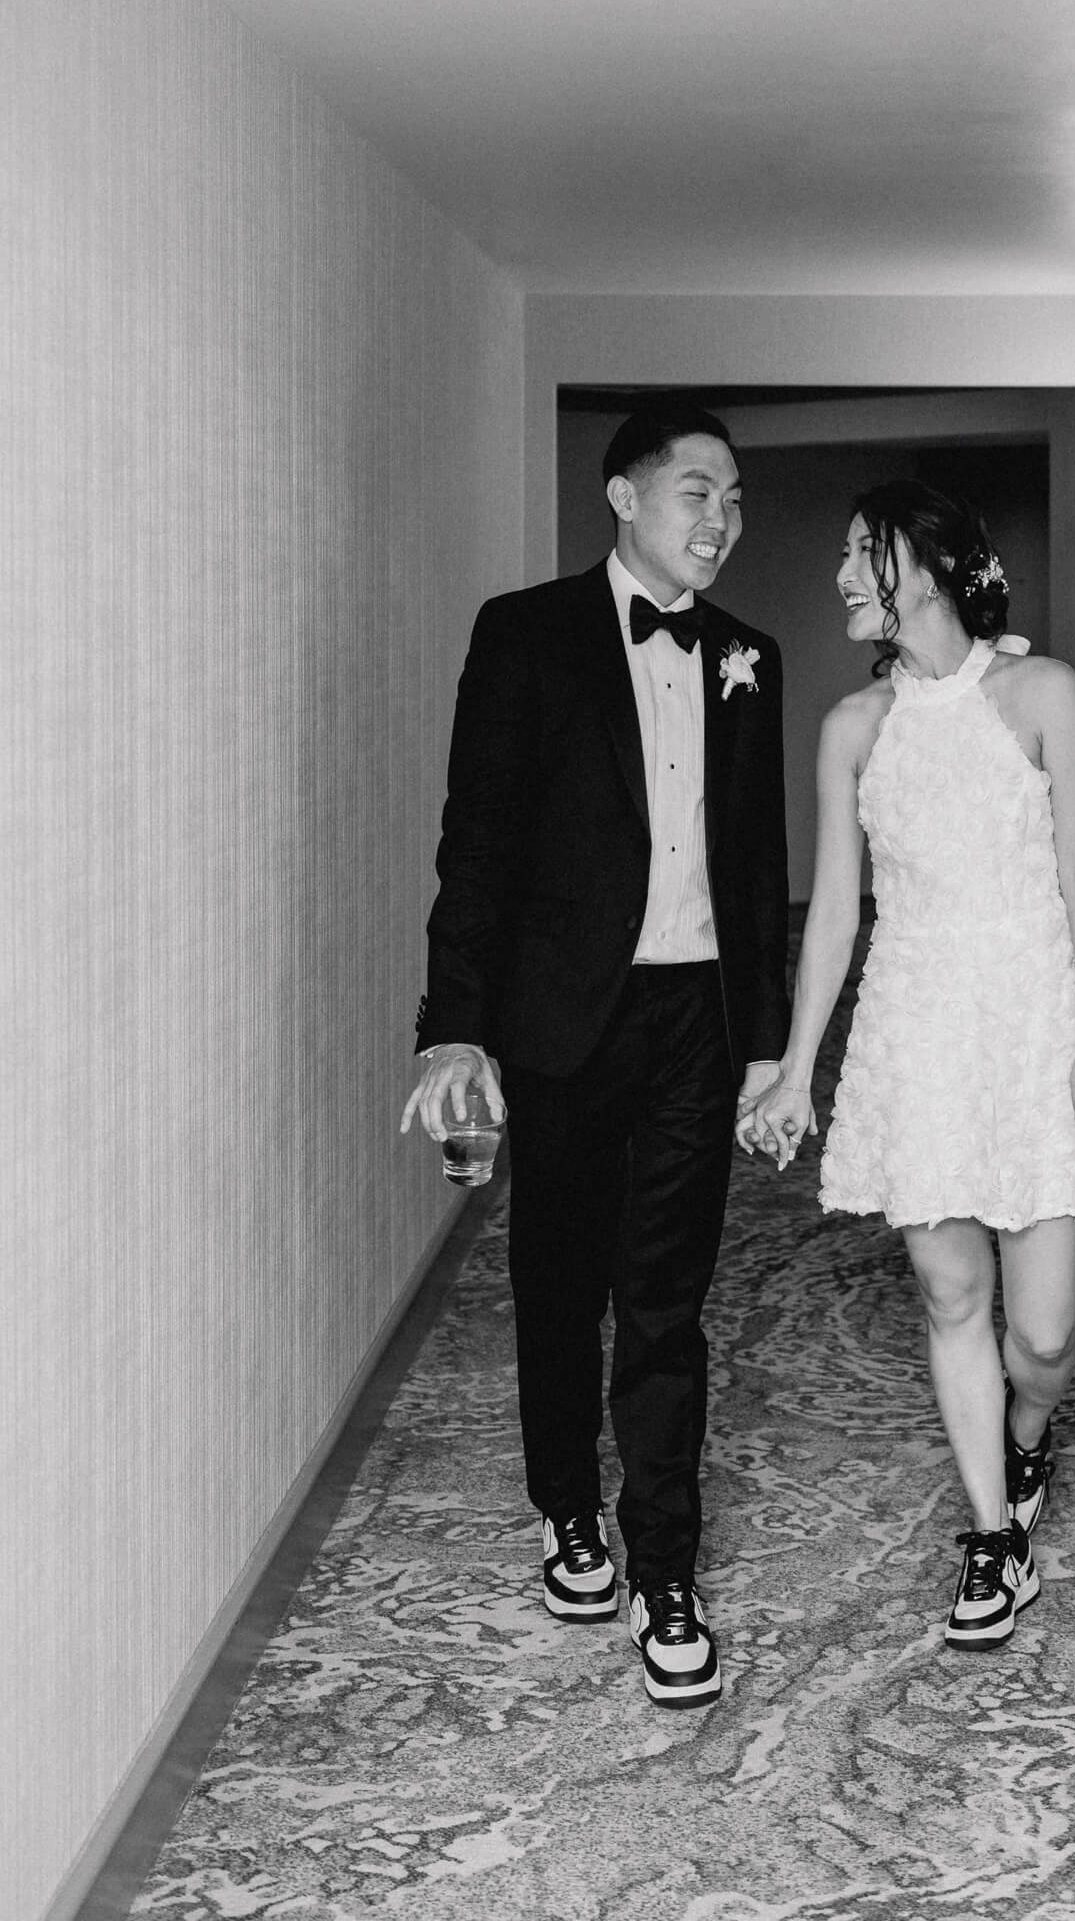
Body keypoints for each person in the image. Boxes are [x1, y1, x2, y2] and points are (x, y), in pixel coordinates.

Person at [403, 399, 789, 1709]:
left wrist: (769, 1045)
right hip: (564, 1014)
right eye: (696, 492)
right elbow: (480, 844)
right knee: (562, 1278)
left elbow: (755, 861)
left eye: (734, 499)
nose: (721, 521)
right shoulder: (525, 636)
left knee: (669, 1286)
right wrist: (457, 1021)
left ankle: (665, 1564)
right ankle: (568, 1506)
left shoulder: (750, 656)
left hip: (696, 1015)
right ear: (624, 497)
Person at [740, 480, 1075, 1650]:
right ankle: (993, 1542)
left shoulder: (1041, 692)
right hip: (914, 1030)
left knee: (1045, 1334)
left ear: (920, 568)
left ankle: (1030, 1435)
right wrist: (792, 1064)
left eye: (854, 551)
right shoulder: (849, 728)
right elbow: (832, 914)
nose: (837, 574)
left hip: (1028, 1025)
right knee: (950, 1293)